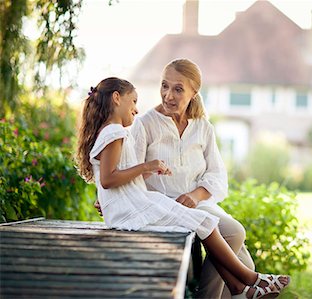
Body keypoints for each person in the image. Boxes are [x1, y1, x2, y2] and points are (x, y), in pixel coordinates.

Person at [76, 77, 290, 299]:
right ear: (117, 98)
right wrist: (146, 166)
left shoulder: (113, 131)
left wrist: (150, 170)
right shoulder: (115, 132)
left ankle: (239, 288)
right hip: (132, 209)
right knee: (203, 222)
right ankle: (251, 279)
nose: (137, 109)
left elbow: (112, 175)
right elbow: (109, 179)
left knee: (206, 222)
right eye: (133, 101)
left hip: (133, 203)